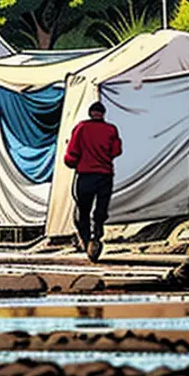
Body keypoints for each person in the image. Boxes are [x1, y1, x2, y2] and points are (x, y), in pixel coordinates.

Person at [64, 101, 123, 262]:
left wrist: (73, 162)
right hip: (105, 175)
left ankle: (86, 239)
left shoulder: (81, 128)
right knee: (101, 208)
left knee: (83, 210)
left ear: (90, 113)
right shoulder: (111, 129)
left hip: (86, 175)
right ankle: (97, 235)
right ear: (103, 114)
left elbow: (71, 155)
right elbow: (116, 150)